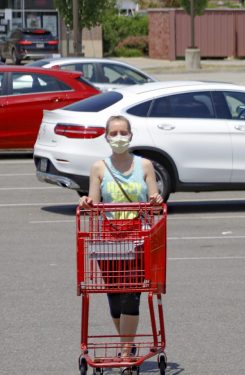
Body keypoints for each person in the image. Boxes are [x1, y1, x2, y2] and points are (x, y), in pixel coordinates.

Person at [79, 115, 163, 361]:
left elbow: (155, 204)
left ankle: (126, 351)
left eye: (123, 133)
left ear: (131, 136)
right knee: (114, 296)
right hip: (108, 239)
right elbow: (93, 203)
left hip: (137, 237)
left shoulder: (145, 165)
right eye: (113, 133)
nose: (118, 138)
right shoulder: (99, 167)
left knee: (132, 293)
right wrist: (85, 202)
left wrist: (156, 202)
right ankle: (128, 344)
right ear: (106, 137)